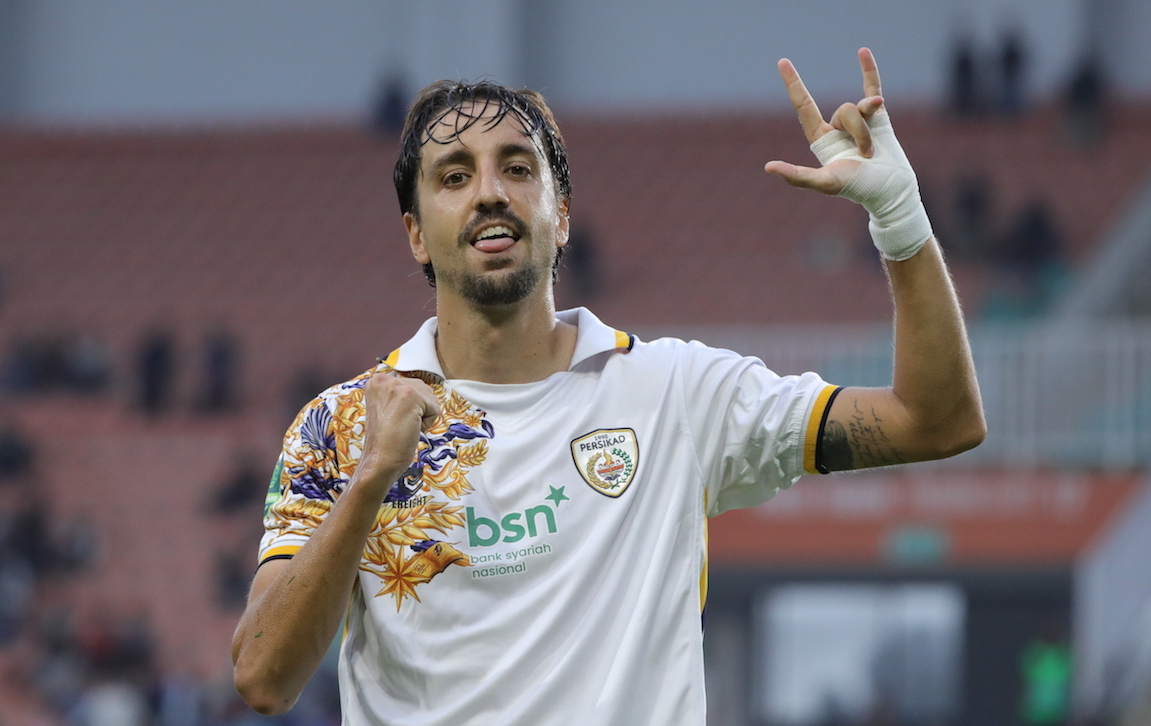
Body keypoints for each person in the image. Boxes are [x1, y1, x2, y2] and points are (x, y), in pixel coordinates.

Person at [232, 48, 985, 725]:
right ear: (416, 234)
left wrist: (899, 218)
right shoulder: (341, 426)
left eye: (517, 168)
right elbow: (263, 679)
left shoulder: (676, 392)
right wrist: (372, 475)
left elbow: (935, 422)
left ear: (561, 217)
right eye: (454, 176)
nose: (489, 192)